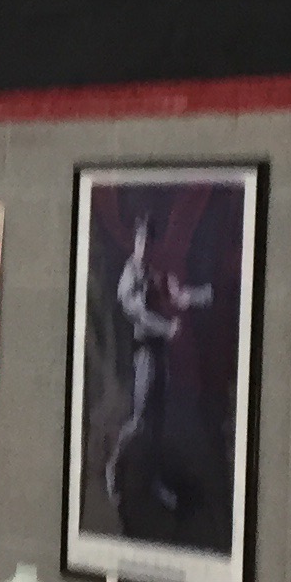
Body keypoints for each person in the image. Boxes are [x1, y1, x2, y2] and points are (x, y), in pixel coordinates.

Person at [104, 212, 210, 527]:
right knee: (139, 421)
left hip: (160, 353)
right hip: (144, 355)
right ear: (134, 241)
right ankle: (113, 471)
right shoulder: (128, 277)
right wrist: (167, 328)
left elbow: (175, 296)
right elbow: (138, 313)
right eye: (141, 240)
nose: (145, 247)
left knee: (158, 422)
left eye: (149, 241)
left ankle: (155, 482)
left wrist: (189, 295)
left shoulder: (152, 272)